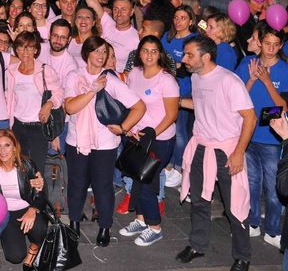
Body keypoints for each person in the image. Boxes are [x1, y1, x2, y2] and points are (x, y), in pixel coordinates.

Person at [177, 34, 254, 271]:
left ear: (206, 56)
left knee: (235, 206)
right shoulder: (197, 78)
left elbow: (249, 117)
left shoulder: (229, 81)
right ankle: (198, 245)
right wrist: (177, 101)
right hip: (202, 146)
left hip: (226, 150)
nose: (185, 60)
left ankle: (243, 256)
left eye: (190, 55)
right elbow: (203, 105)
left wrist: (239, 152)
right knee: (199, 200)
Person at [62, 34, 145, 245]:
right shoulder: (74, 76)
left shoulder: (111, 80)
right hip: (76, 141)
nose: (101, 55)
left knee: (103, 186)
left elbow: (139, 106)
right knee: (76, 184)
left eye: (104, 51)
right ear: (86, 53)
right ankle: (74, 223)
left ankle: (105, 226)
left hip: (105, 143)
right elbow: (70, 107)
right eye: (96, 51)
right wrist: (93, 90)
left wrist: (123, 128)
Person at [119, 35, 180, 245]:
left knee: (146, 183)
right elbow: (128, 103)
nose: (149, 55)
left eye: (154, 51)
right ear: (139, 53)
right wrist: (128, 128)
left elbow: (172, 115)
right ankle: (141, 219)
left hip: (159, 139)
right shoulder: (134, 73)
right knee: (136, 179)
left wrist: (151, 133)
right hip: (136, 137)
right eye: (145, 50)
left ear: (160, 54)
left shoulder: (166, 80)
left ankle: (155, 226)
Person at [237, 24, 288, 246]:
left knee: (274, 186)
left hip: (272, 138)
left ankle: (274, 230)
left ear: (281, 46)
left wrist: (267, 82)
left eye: (276, 45)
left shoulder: (285, 70)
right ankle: (254, 222)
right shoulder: (247, 63)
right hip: (248, 133)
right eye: (267, 43)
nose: (270, 48)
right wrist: (251, 79)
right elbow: (236, 97)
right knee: (251, 182)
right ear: (260, 43)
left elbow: (283, 107)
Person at [0, 129, 49, 268]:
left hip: (27, 208)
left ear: (15, 147)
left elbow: (40, 194)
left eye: (7, 145)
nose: (3, 151)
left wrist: (33, 209)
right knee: (15, 257)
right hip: (5, 214)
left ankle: (34, 249)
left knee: (40, 230)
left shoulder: (27, 165)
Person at [6, 32, 60, 174]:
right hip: (18, 126)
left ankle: (39, 196)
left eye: (30, 48)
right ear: (16, 49)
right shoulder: (11, 71)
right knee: (19, 169)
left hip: (38, 127)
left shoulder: (44, 70)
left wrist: (49, 104)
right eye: (22, 47)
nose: (25, 52)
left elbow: (59, 93)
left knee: (37, 171)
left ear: (36, 50)